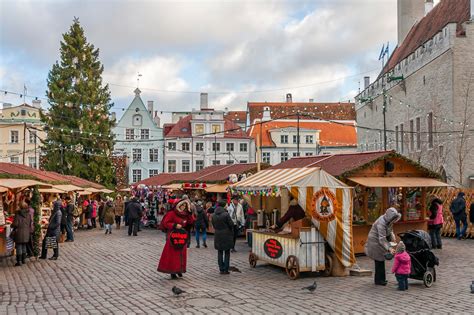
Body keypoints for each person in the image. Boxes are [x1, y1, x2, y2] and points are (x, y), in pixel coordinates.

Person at [157, 200, 195, 279]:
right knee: (173, 255)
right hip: (173, 236)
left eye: (185, 206)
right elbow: (166, 223)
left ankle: (180, 269)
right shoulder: (171, 213)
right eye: (182, 206)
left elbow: (190, 222)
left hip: (181, 237)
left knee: (181, 254)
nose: (183, 207)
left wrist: (190, 214)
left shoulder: (185, 214)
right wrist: (174, 225)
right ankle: (172, 271)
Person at [365, 207, 401, 286]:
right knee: (379, 261)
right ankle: (379, 280)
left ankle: (381, 279)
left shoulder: (388, 220)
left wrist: (393, 237)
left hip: (379, 242)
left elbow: (390, 229)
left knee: (381, 260)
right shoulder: (381, 222)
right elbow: (382, 238)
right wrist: (389, 248)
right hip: (374, 242)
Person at [212, 200, 234, 275]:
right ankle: (226, 269)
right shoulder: (226, 214)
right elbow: (231, 224)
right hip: (226, 234)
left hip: (218, 234)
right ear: (224, 206)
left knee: (220, 252)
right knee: (227, 252)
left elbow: (213, 225)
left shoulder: (213, 214)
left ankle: (221, 269)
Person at [11, 202, 32, 266]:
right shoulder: (29, 214)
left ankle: (19, 261)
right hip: (26, 232)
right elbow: (30, 223)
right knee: (24, 246)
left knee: (19, 246)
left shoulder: (18, 214)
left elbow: (15, 224)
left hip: (19, 233)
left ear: (20, 207)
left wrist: (12, 225)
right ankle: (23, 260)